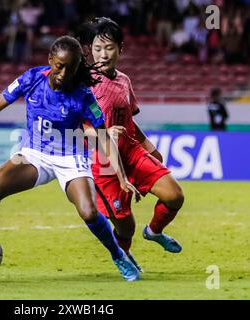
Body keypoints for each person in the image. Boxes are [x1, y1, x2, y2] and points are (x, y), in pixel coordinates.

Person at [0, 35, 141, 282]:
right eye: (59, 66)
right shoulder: (31, 79)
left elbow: (104, 137)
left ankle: (118, 256)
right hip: (34, 155)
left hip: (71, 158)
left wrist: (122, 176)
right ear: (50, 60)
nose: (64, 73)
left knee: (89, 213)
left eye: (71, 68)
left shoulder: (84, 95)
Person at [78, 17, 185, 270]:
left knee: (175, 196)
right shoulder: (84, 83)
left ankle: (155, 231)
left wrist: (149, 147)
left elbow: (129, 121)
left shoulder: (124, 80)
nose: (102, 54)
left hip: (131, 150)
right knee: (126, 225)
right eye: (97, 49)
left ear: (120, 49)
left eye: (109, 48)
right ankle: (123, 256)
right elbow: (76, 126)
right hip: (103, 160)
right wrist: (102, 134)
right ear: (90, 51)